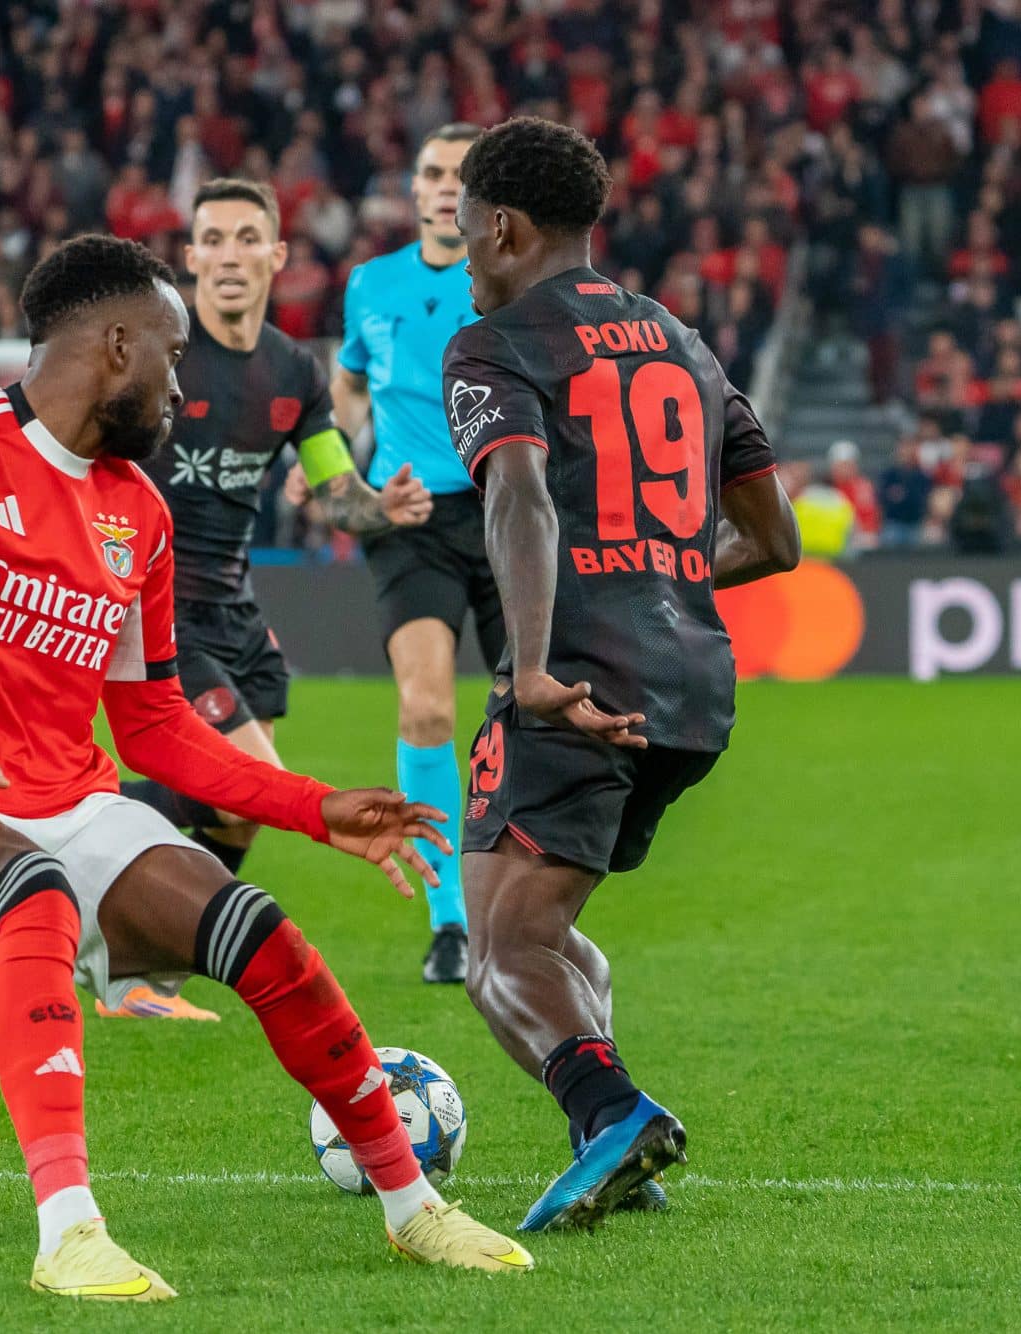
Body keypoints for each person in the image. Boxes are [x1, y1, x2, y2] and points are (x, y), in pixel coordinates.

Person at [0, 234, 531, 1301]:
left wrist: (314, 807)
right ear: (114, 344)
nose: (183, 388)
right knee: (28, 889)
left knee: (255, 931)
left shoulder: (135, 513)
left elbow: (151, 730)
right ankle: (69, 1233)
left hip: (64, 799)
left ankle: (412, 1208)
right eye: (173, 358)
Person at [441, 119, 800, 1231]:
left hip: (579, 684)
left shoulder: (496, 343)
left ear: (501, 225)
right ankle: (606, 1136)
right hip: (691, 685)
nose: (462, 260)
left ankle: (612, 1116)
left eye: (463, 236)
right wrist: (661, 579)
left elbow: (517, 497)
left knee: (496, 948)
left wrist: (538, 662)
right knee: (545, 928)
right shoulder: (680, 342)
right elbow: (774, 538)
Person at [117, 179, 432, 1019]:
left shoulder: (294, 369)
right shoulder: (160, 359)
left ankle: (142, 965)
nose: (227, 255)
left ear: (275, 257)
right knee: (251, 781)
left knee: (239, 815)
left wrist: (379, 506)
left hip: (234, 607)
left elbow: (335, 492)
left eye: (244, 238)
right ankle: (78, 832)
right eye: (211, 239)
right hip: (157, 606)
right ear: (189, 260)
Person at [331, 122, 490, 985]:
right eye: (431, 172)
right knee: (426, 708)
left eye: (459, 176)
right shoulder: (369, 284)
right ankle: (450, 921)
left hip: (510, 516)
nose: (439, 187)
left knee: (529, 716)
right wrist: (335, 455)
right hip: (412, 521)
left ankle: (519, 903)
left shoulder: (510, 282)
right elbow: (351, 381)